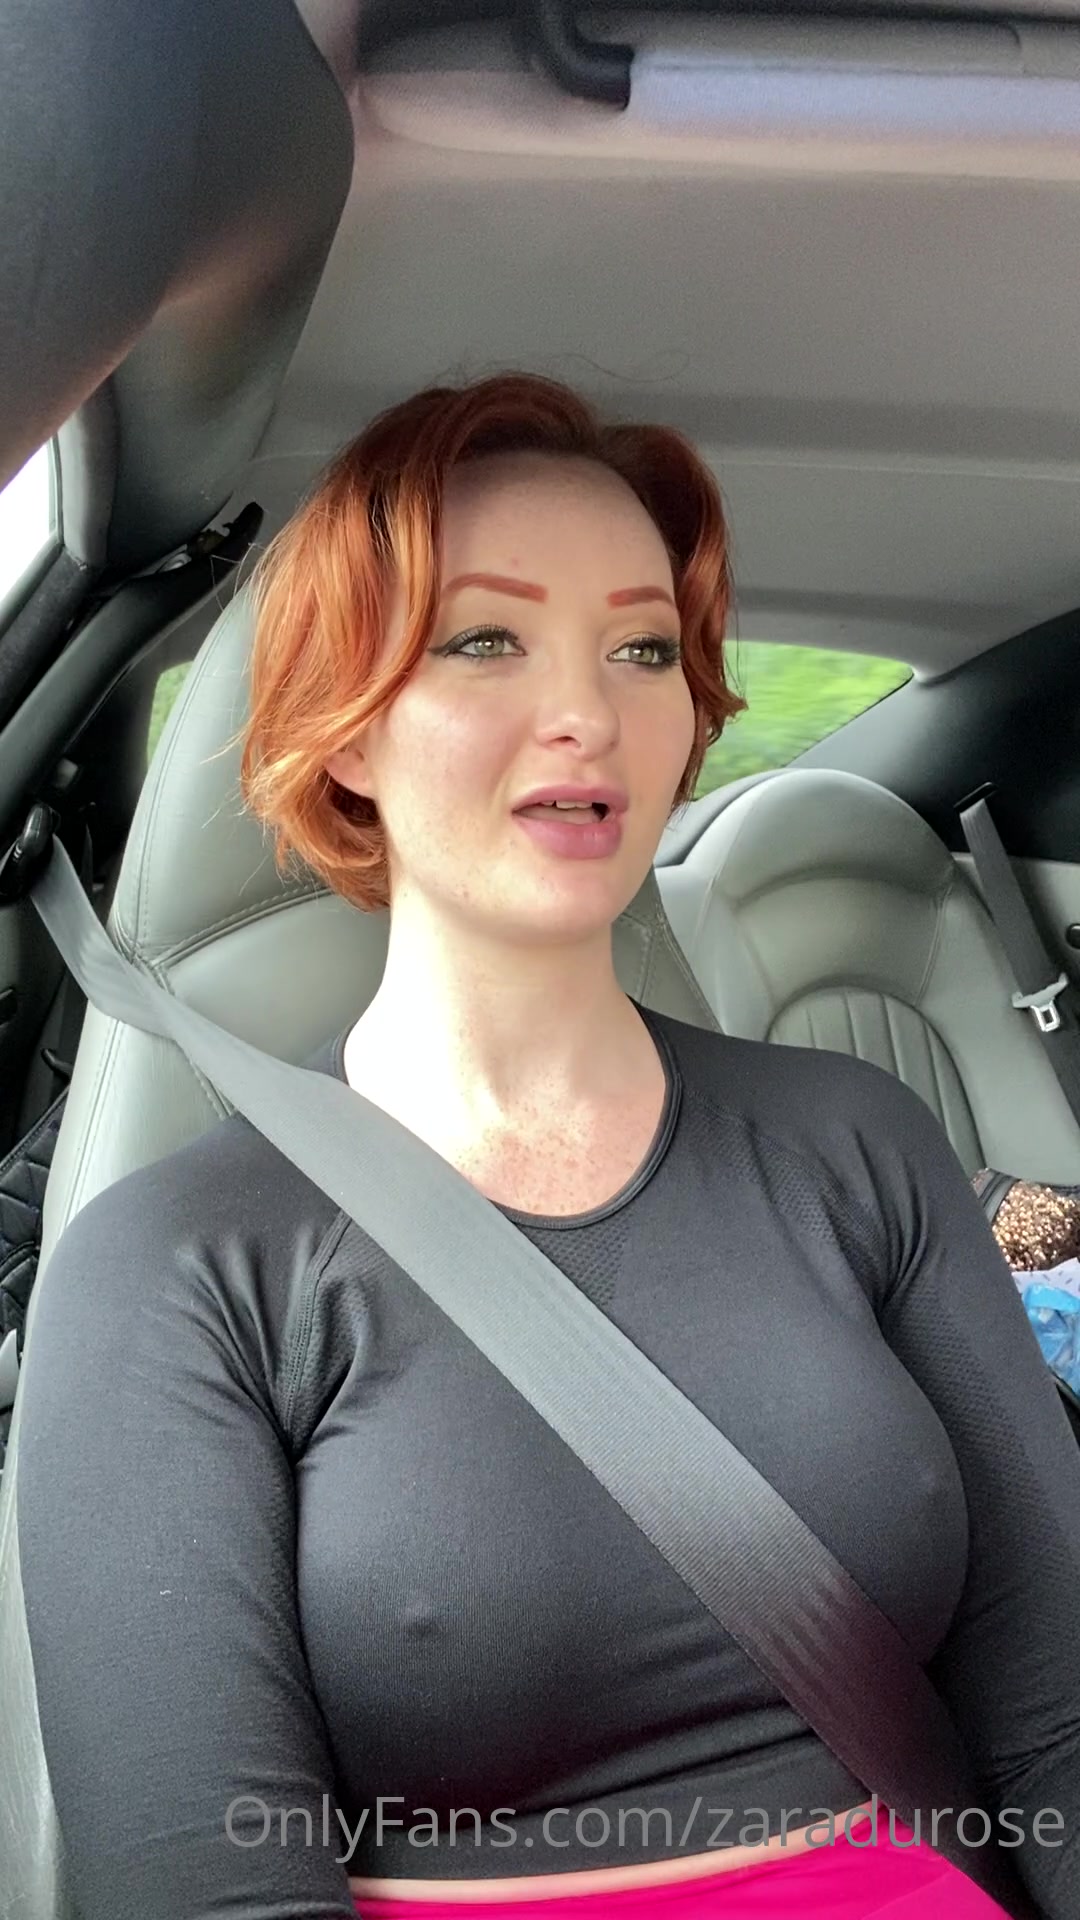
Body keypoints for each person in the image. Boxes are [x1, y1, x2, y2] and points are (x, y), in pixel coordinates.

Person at [14, 372, 1080, 1920]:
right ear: (348, 732)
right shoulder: (180, 1266)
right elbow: (208, 1885)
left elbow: (1056, 1728)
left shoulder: (860, 1143)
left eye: (643, 650)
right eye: (484, 640)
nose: (589, 711)